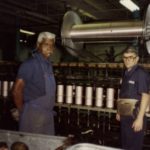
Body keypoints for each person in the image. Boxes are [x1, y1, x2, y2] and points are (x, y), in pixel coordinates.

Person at [12, 32, 56, 135]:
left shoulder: (48, 65)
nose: (50, 48)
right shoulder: (29, 64)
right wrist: (22, 111)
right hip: (33, 115)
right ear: (38, 45)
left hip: (48, 114)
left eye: (52, 45)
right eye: (46, 44)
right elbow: (16, 91)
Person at [116, 46, 150, 150]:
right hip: (125, 115)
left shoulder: (140, 73)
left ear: (137, 59)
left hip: (136, 115)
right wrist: (119, 111)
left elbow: (146, 95)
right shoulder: (126, 73)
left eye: (130, 57)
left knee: (134, 146)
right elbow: (123, 94)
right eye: (125, 57)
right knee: (125, 144)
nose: (127, 60)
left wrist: (139, 118)